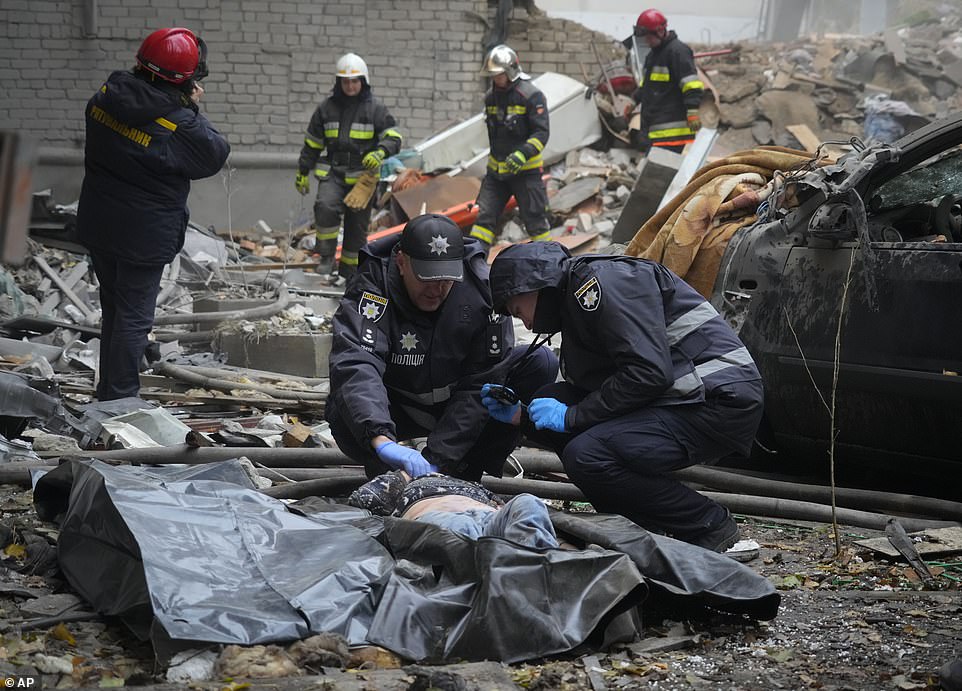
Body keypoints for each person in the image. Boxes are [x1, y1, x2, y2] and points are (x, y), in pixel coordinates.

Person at [482, 242, 763, 552]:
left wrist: (571, 416)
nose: (527, 324)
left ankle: (709, 524)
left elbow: (649, 374)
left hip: (717, 399)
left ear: (534, 285)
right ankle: (636, 524)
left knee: (588, 455)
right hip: (682, 395)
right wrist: (522, 416)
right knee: (552, 398)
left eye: (518, 311)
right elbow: (601, 386)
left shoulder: (602, 285)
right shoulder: (574, 300)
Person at [325, 213, 558, 482]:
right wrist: (381, 439)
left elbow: (479, 386)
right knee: (343, 408)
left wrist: (439, 460)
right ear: (401, 262)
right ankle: (387, 473)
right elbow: (356, 363)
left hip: (454, 402)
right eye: (427, 278)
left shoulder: (481, 289)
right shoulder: (372, 288)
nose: (437, 289)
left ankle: (465, 472)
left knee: (539, 362)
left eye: (446, 280)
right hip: (396, 405)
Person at [76, 27, 229, 401]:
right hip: (142, 234)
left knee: (114, 310)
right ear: (182, 80)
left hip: (101, 222)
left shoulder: (105, 97)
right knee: (133, 319)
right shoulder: (176, 122)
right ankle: (122, 400)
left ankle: (108, 391)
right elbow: (215, 154)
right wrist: (191, 106)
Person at [295, 53, 402, 282]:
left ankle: (350, 275)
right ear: (339, 82)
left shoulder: (375, 109)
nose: (350, 85)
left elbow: (393, 137)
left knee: (356, 228)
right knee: (325, 207)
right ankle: (325, 258)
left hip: (362, 177)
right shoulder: (326, 108)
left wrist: (380, 151)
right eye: (345, 81)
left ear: (363, 81)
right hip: (334, 172)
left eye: (355, 81)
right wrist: (303, 170)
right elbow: (313, 142)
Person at [469, 45, 551, 252]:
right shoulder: (491, 97)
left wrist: (522, 154)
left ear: (511, 71)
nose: (496, 80)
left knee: (535, 221)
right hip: (496, 175)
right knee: (483, 220)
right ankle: (473, 263)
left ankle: (550, 263)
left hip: (525, 173)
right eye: (493, 76)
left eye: (499, 75)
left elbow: (541, 133)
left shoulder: (531, 96)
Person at [347, 470, 560, 550]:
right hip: (438, 519)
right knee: (463, 530)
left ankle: (541, 566)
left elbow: (508, 509)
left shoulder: (473, 483)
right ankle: (505, 578)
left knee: (528, 502)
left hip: (490, 518)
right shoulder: (408, 483)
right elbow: (363, 499)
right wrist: (403, 475)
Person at [626, 9, 704, 153]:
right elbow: (647, 86)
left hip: (672, 132)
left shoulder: (678, 52)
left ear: (660, 31)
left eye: (648, 37)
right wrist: (634, 100)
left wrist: (692, 111)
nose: (646, 41)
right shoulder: (653, 56)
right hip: (655, 130)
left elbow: (691, 84)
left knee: (662, 172)